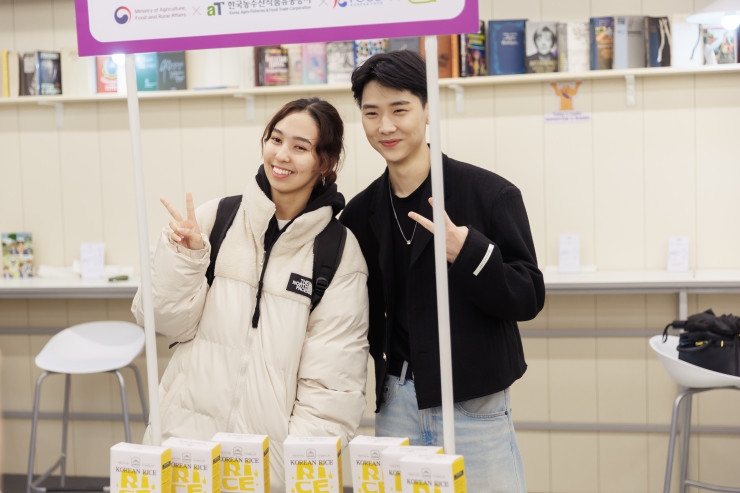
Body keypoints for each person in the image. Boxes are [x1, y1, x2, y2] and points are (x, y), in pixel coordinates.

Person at [132, 97, 370, 492]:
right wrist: (185, 257)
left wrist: (294, 470)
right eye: (275, 139)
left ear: (324, 163)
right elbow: (159, 319)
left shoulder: (339, 253)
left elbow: (332, 389)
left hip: (269, 469)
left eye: (300, 147)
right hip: (186, 448)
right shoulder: (216, 218)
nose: (282, 155)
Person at [340, 50, 545, 493]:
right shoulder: (360, 213)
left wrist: (470, 252)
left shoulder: (489, 194)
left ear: (428, 109)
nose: (385, 126)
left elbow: (529, 295)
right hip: (396, 401)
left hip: (473, 401)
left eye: (399, 110)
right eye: (372, 113)